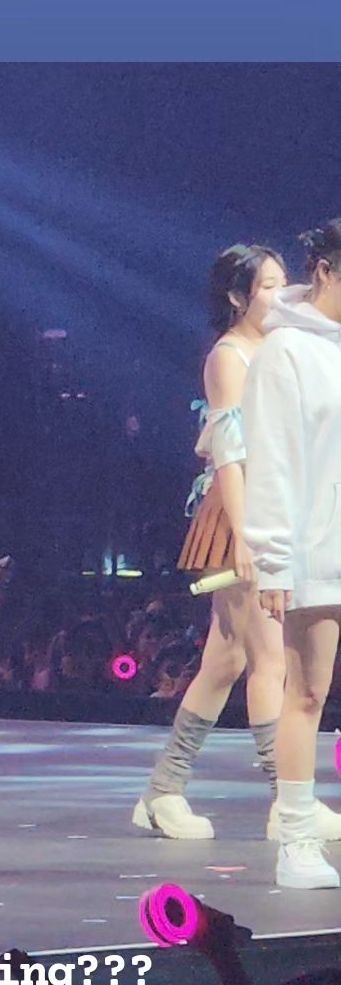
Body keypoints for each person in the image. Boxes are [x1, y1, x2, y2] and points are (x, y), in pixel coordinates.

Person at [133, 244, 324, 841]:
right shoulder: (229, 356)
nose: (281, 294)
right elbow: (230, 454)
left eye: (284, 282)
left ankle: (162, 792)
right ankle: (287, 800)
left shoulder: (284, 347)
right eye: (268, 285)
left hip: (278, 510)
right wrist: (245, 537)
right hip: (241, 514)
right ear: (238, 296)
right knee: (269, 660)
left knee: (225, 662)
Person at [243, 220, 341, 888]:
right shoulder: (285, 351)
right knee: (307, 691)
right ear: (326, 270)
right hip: (318, 547)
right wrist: (274, 558)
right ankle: (297, 838)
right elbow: (272, 459)